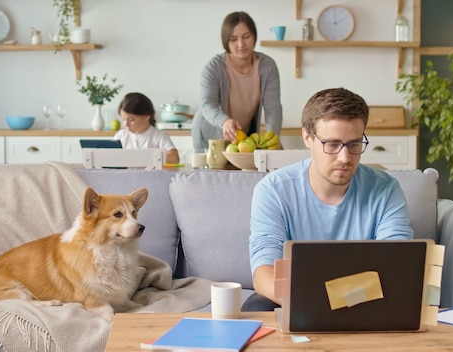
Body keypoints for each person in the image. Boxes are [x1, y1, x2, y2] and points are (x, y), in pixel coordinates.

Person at [243, 87, 414, 311]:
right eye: (332, 144)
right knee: (256, 307)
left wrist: (337, 301)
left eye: (354, 144)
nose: (345, 158)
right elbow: (265, 272)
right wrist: (321, 304)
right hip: (298, 299)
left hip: (366, 300)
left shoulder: (386, 190)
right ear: (307, 137)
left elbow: (397, 265)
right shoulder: (273, 190)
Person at [191, 11, 283, 152]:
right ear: (226, 42)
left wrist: (273, 138)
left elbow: (273, 108)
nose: (241, 44)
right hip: (209, 135)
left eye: (246, 36)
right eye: (233, 39)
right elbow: (207, 104)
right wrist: (224, 122)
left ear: (254, 36)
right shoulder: (214, 67)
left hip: (242, 138)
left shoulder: (267, 66)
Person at [115, 92, 180, 164]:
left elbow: (174, 158)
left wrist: (139, 157)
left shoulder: (159, 136)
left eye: (131, 120)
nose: (126, 124)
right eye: (124, 119)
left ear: (146, 116)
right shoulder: (121, 136)